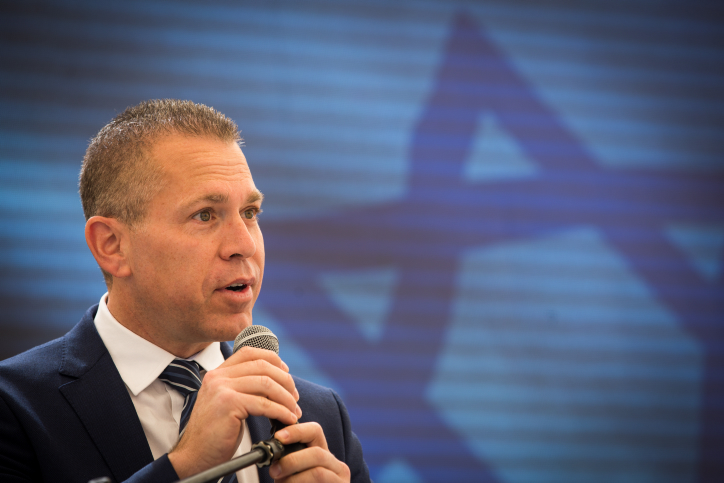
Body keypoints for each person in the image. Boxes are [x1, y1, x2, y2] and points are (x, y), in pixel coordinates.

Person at [0, 100, 370, 483]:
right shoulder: (15, 407)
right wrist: (185, 466)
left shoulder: (319, 415)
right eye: (205, 215)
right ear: (112, 245)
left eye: (250, 213)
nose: (244, 244)